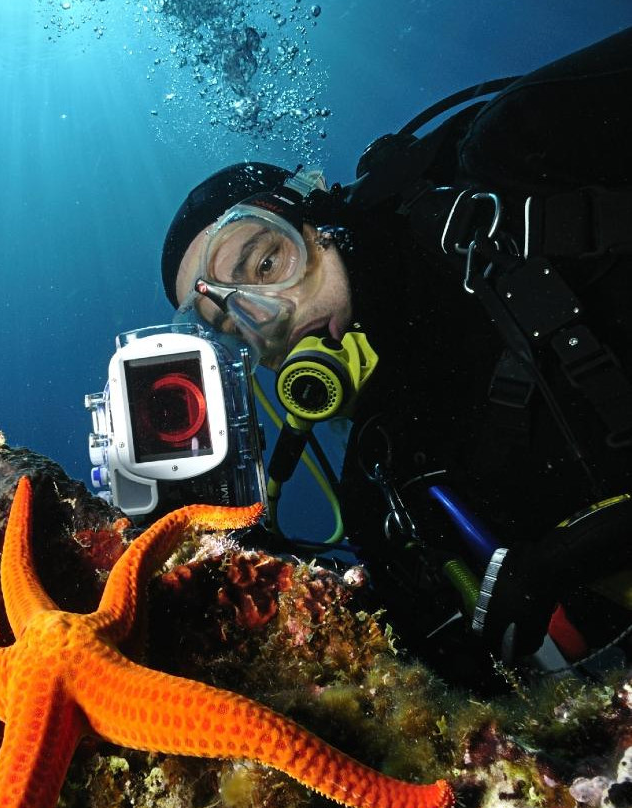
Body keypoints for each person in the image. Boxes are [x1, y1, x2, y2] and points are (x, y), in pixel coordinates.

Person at [158, 28, 632, 688]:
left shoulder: (513, 165)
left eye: (266, 262)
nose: (270, 320)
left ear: (316, 221)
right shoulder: (380, 488)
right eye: (233, 327)